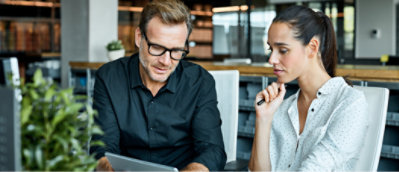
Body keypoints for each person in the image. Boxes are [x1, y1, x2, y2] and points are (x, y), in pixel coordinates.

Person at [89, 0, 226, 171]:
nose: (165, 62)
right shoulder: (109, 77)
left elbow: (212, 150)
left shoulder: (199, 82)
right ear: (139, 37)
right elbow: (102, 147)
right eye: (157, 47)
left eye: (176, 50)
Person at [248, 5, 368, 171]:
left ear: (312, 47)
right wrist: (263, 119)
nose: (271, 59)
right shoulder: (281, 108)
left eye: (283, 50)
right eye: (271, 49)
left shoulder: (350, 103)